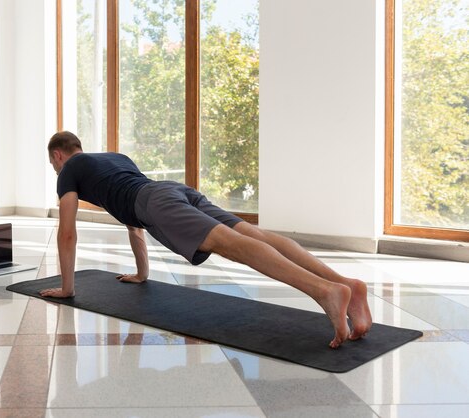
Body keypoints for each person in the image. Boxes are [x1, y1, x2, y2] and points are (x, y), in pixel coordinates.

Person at [40, 131, 372, 348]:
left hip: (154, 202)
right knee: (253, 234)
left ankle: (324, 291)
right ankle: (346, 286)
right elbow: (134, 224)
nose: (56, 171)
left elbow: (67, 230)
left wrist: (68, 289)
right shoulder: (113, 158)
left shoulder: (70, 169)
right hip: (172, 189)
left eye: (53, 164)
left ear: (58, 156)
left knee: (233, 245)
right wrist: (142, 274)